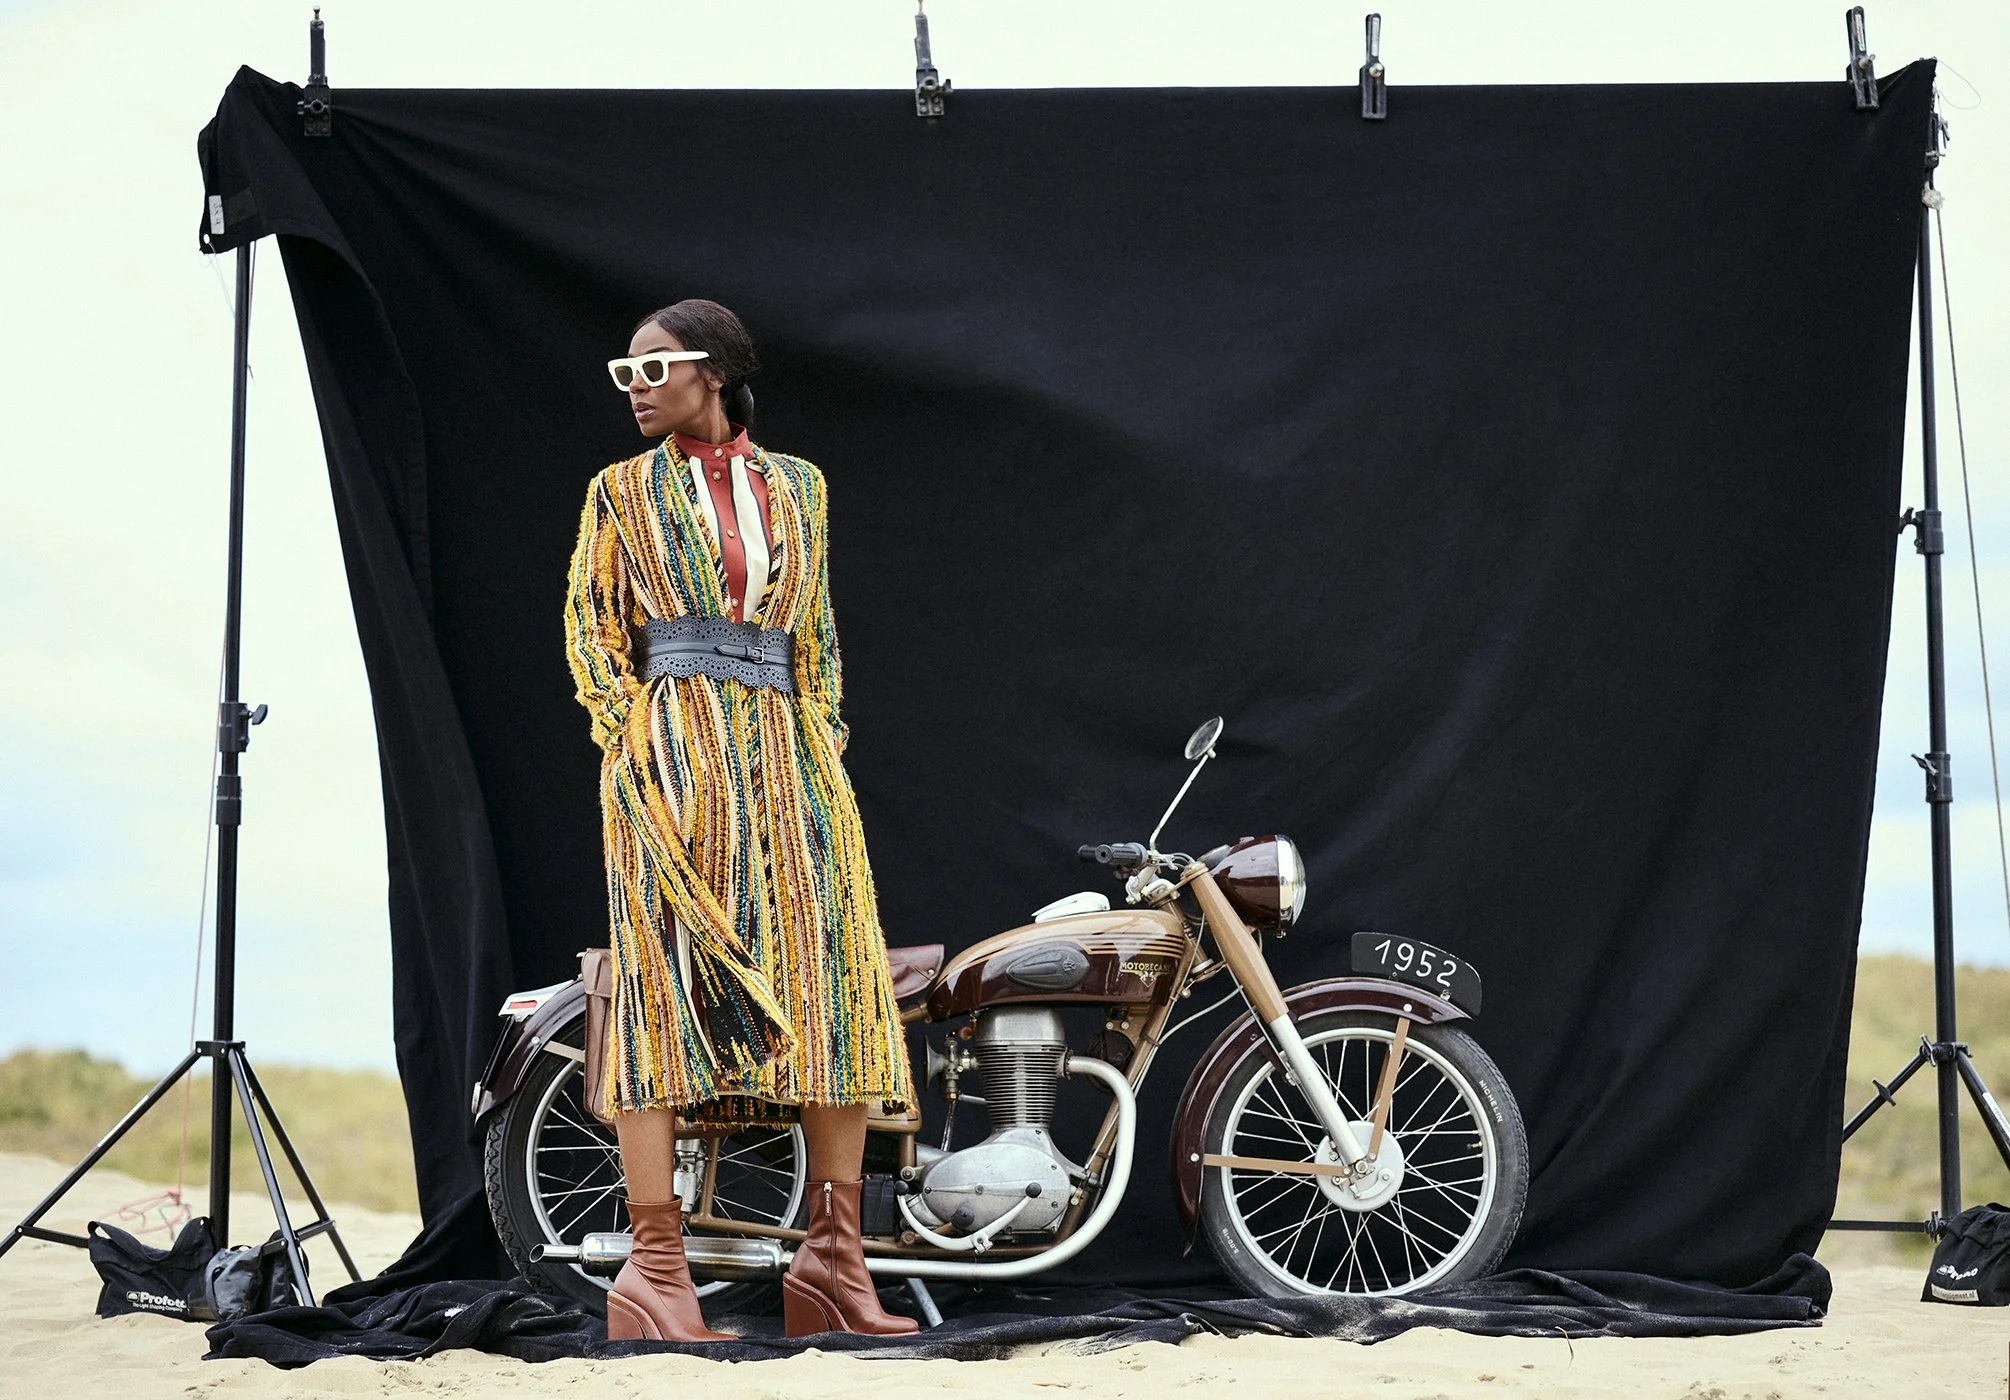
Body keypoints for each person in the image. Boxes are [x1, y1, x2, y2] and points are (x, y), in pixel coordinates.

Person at [563, 299, 916, 1341]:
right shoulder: (619, 492)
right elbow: (591, 626)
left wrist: (825, 742)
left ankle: (834, 1261)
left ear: (711, 371)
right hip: (672, 752)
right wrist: (634, 738)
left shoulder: (799, 485)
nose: (635, 386)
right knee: (664, 985)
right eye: (623, 373)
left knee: (837, 982)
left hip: (790, 756)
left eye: (653, 367)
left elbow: (820, 636)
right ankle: (655, 1269)